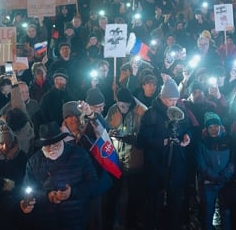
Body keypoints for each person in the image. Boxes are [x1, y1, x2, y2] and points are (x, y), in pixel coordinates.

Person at [138, 78, 192, 230]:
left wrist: (187, 137)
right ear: (162, 98)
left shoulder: (180, 111)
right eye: (170, 100)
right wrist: (161, 142)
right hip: (157, 167)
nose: (173, 104)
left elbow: (187, 128)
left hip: (177, 166)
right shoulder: (151, 114)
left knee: (175, 205)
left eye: (176, 100)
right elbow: (142, 139)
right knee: (155, 205)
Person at [22, 121, 98, 230]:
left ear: (61, 140)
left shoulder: (79, 155)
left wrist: (72, 192)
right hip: (46, 222)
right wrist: (48, 196)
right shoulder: (34, 162)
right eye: (48, 145)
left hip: (75, 220)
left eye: (55, 144)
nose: (52, 148)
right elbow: (28, 191)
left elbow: (94, 185)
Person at [105, 87, 146, 230]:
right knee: (114, 194)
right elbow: (106, 127)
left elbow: (146, 137)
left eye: (126, 106)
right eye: (121, 105)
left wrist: (131, 138)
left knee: (134, 196)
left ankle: (132, 223)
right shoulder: (113, 110)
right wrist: (109, 132)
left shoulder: (141, 111)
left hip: (134, 160)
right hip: (116, 160)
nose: (123, 108)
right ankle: (113, 223)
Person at [195, 112, 234, 230]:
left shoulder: (228, 140)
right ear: (206, 129)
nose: (213, 129)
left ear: (221, 126)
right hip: (208, 183)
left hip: (226, 183)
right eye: (210, 127)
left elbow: (233, 160)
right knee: (207, 212)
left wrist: (227, 174)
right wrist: (215, 177)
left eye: (216, 126)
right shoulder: (201, 143)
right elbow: (201, 165)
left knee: (226, 212)